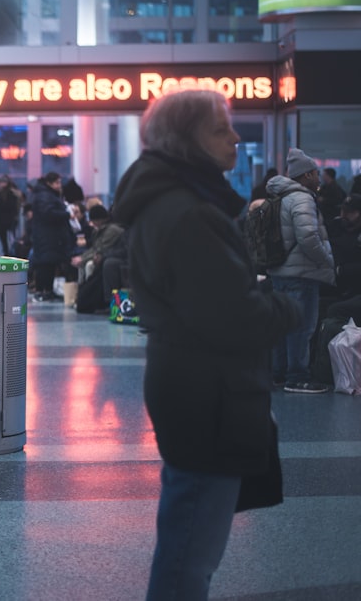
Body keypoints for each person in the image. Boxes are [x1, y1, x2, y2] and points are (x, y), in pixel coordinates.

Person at [112, 89, 300, 600]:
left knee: (187, 534)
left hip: (193, 383)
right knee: (191, 549)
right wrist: (285, 306)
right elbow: (233, 316)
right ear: (188, 140)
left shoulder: (171, 203)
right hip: (207, 393)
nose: (236, 138)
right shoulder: (189, 213)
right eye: (221, 128)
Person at [265, 148, 336, 394]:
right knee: (302, 327)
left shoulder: (279, 197)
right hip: (301, 274)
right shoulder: (302, 198)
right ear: (305, 176)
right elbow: (307, 237)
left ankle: (279, 374)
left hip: (280, 272)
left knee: (283, 326)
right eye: (315, 173)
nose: (318, 177)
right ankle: (297, 377)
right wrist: (326, 259)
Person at [30, 172, 76, 302]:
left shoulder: (47, 195)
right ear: (49, 183)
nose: (59, 185)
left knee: (49, 264)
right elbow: (48, 213)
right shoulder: (45, 196)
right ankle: (42, 290)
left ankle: (47, 290)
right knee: (45, 264)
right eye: (57, 183)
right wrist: (66, 214)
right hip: (47, 236)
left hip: (49, 235)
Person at [0, 175, 22, 256]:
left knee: (9, 236)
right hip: (3, 218)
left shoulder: (11, 192)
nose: (2, 184)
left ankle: (10, 250)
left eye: (4, 182)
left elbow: (13, 205)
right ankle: (7, 251)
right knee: (4, 236)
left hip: (8, 217)